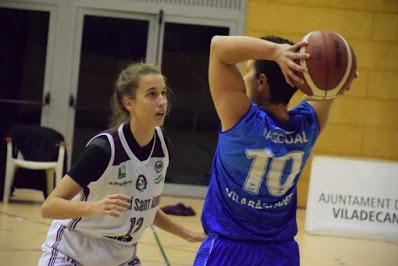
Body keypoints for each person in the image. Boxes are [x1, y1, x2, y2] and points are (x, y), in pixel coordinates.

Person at [194, 36, 357, 265]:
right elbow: (328, 90)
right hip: (282, 254)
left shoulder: (240, 120)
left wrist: (275, 52)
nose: (243, 77)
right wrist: (340, 79)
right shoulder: (309, 126)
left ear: (261, 81)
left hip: (229, 249)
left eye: (248, 71)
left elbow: (218, 47)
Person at [38, 62, 205, 266]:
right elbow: (49, 207)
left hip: (121, 258)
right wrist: (93, 207)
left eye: (163, 93)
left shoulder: (163, 147)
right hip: (73, 251)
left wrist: (187, 233)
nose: (162, 101)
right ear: (129, 103)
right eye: (152, 94)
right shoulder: (104, 149)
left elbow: (145, 208)